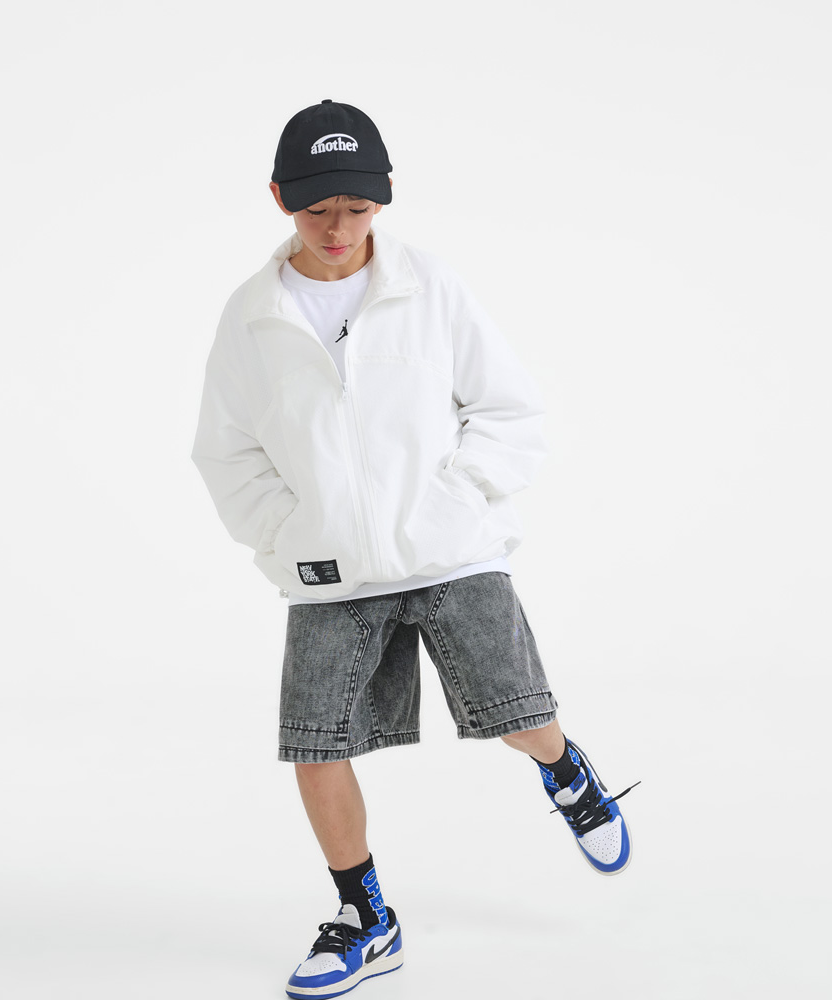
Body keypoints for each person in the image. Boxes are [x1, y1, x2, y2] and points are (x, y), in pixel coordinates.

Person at [192, 99, 637, 1000]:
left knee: (516, 714)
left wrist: (455, 504)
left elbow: (508, 409)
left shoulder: (430, 287)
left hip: (451, 555)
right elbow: (226, 451)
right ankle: (366, 920)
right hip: (329, 573)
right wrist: (288, 535)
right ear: (280, 198)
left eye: (357, 209)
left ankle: (565, 770)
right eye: (316, 209)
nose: (337, 229)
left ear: (384, 196)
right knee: (316, 745)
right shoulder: (251, 316)